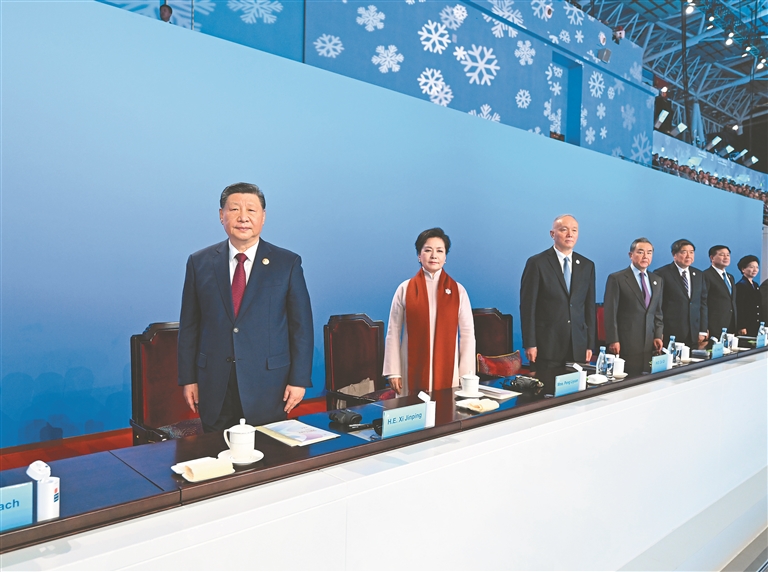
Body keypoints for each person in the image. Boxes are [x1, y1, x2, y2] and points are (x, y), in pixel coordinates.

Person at [177, 182, 314, 432]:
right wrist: (188, 379)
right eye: (234, 209)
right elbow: (189, 326)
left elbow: (301, 327)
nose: (243, 217)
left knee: (269, 451)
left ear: (263, 216)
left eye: (251, 210)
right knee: (216, 452)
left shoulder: (287, 263)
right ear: (221, 215)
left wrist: (299, 380)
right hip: (215, 383)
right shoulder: (199, 262)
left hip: (269, 384)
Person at [382, 228, 475, 396]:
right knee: (412, 408)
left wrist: (465, 374)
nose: (434, 256)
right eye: (428, 250)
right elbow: (393, 331)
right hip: (411, 368)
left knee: (447, 408)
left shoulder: (458, 291)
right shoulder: (405, 289)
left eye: (440, 251)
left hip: (449, 371)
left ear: (445, 257)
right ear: (419, 255)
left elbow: (467, 334)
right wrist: (394, 371)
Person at [520, 214, 596, 371]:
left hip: (577, 345)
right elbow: (528, 307)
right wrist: (530, 343)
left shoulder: (587, 265)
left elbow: (589, 307)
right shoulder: (537, 263)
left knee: (577, 387)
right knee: (548, 385)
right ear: (552, 234)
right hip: (547, 345)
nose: (570, 234)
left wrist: (590, 344)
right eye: (564, 230)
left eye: (574, 230)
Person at [603, 238, 664, 374]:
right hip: (625, 342)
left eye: (649, 253)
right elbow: (610, 313)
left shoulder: (657, 280)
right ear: (631, 255)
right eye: (640, 252)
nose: (645, 256)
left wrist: (658, 335)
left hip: (649, 342)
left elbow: (657, 312)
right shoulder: (617, 279)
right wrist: (613, 339)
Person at [654, 239, 708, 348]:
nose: (688, 256)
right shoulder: (661, 274)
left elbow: (703, 303)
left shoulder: (698, 274)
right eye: (684, 252)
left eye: (691, 252)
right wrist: (658, 332)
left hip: (694, 333)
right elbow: (657, 305)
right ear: (674, 254)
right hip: (671, 332)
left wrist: (702, 330)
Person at [703, 245, 737, 336]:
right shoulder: (706, 275)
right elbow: (703, 302)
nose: (726, 257)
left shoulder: (730, 277)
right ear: (712, 258)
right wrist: (704, 327)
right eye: (722, 255)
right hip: (714, 325)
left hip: (731, 325)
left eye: (728, 255)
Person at [735, 255, 761, 336]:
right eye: (752, 267)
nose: (755, 270)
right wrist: (741, 326)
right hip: (746, 325)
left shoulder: (755, 285)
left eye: (757, 267)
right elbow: (739, 307)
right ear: (743, 269)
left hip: (756, 324)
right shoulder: (740, 286)